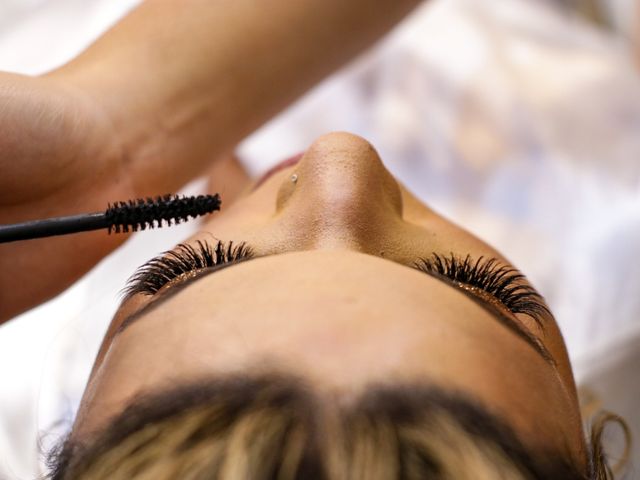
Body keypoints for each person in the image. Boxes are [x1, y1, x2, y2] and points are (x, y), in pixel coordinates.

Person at [0, 0, 629, 478]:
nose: (339, 158)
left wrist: (111, 137)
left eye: (193, 269)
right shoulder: (617, 238)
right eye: (473, 284)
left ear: (62, 427)